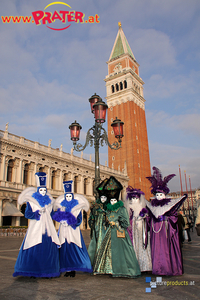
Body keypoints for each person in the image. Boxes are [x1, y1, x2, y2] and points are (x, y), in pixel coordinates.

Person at [13, 172, 61, 278]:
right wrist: (37, 213)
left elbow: (53, 215)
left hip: (48, 229)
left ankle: (49, 271)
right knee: (34, 246)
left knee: (49, 250)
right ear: (38, 191)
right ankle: (32, 271)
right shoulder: (32, 202)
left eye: (44, 190)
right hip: (36, 229)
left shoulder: (50, 203)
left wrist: (62, 216)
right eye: (41, 190)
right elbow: (27, 214)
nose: (43, 192)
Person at [92, 176, 141, 278]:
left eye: (114, 200)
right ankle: (108, 269)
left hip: (120, 232)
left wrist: (117, 223)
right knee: (108, 251)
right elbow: (105, 221)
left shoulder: (122, 209)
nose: (113, 202)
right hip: (110, 232)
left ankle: (126, 269)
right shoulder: (108, 209)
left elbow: (126, 223)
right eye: (111, 200)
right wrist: (107, 222)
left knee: (123, 251)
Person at [146, 167, 187, 276]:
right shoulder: (152, 206)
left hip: (164, 230)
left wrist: (166, 219)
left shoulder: (169, 206)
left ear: (165, 194)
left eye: (160, 194)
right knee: (156, 249)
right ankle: (157, 268)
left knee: (165, 248)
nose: (159, 197)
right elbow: (149, 218)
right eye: (157, 195)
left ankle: (166, 267)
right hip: (155, 231)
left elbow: (174, 218)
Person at [52, 180, 93, 277]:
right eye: (67, 196)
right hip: (63, 230)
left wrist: (71, 222)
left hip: (73, 231)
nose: (68, 198)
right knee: (64, 250)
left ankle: (73, 269)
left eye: (70, 196)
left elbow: (79, 220)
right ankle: (67, 269)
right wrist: (61, 221)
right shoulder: (61, 206)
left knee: (73, 250)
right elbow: (57, 215)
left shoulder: (77, 208)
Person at [124, 186, 152, 272]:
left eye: (135, 198)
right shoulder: (129, 209)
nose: (133, 200)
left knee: (142, 245)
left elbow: (148, 220)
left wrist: (143, 218)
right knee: (134, 245)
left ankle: (144, 264)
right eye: (132, 198)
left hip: (141, 230)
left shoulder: (142, 208)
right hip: (133, 231)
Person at [88, 178, 109, 266]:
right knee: (97, 245)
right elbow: (91, 218)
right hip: (97, 229)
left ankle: (107, 264)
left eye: (105, 197)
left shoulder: (110, 206)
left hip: (107, 230)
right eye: (102, 197)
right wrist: (92, 223)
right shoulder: (96, 207)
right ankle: (97, 264)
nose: (103, 199)